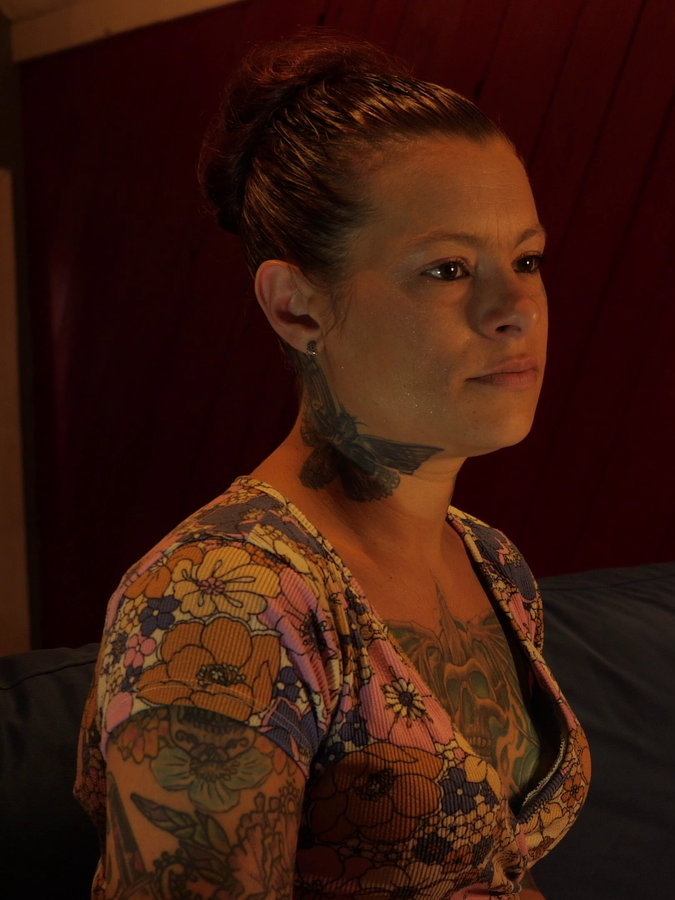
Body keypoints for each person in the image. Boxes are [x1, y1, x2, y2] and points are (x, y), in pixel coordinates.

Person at [72, 33, 588, 899]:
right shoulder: (221, 601)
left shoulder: (493, 563)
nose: (516, 309)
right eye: (448, 269)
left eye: (526, 259)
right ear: (297, 307)